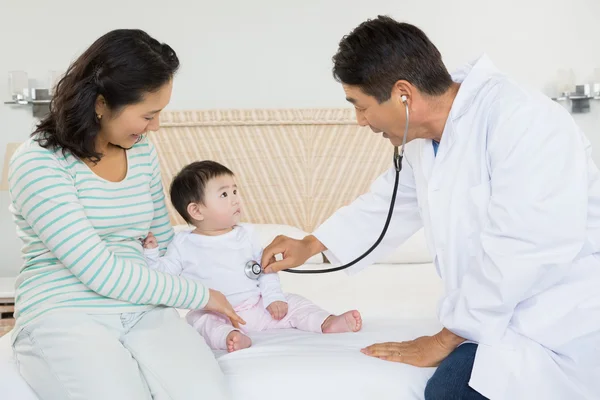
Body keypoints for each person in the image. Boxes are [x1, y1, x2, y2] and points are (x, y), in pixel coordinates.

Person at [260, 16, 600, 400]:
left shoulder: (521, 119)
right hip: (494, 323)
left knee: (451, 391)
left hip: (559, 325)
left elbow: (525, 247)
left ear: (403, 94)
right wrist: (309, 244)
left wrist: (444, 338)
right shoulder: (426, 143)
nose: (359, 121)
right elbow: (384, 207)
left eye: (361, 106)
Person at [8, 29, 243, 400]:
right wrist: (200, 294)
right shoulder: (38, 162)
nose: (155, 127)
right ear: (101, 104)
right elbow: (98, 271)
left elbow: (164, 244)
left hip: (144, 308)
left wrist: (231, 266)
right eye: (148, 115)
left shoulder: (142, 152)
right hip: (64, 311)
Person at [141, 160, 362, 353]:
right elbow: (163, 276)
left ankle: (327, 322)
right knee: (200, 321)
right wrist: (151, 253)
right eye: (224, 194)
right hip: (217, 312)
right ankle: (231, 337)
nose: (236, 199)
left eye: (235, 191)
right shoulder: (182, 243)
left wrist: (274, 298)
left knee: (295, 303)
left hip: (257, 307)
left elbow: (266, 270)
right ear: (197, 211)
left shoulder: (246, 235)